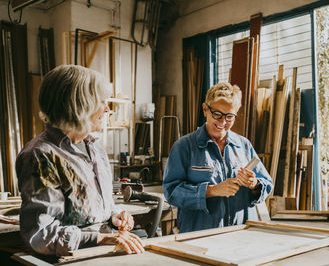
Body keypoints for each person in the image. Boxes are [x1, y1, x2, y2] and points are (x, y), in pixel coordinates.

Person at [15, 65, 145, 256]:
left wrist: (114, 218)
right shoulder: (41, 156)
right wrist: (101, 238)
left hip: (102, 254)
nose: (108, 109)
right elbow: (42, 235)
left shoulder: (95, 149)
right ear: (79, 106)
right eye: (102, 102)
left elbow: (96, 211)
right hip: (68, 259)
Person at [163, 82, 273, 233]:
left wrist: (254, 184)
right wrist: (212, 190)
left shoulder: (244, 146)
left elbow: (267, 184)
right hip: (200, 235)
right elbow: (172, 192)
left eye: (229, 116)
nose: (222, 122)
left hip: (241, 234)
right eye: (217, 114)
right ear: (205, 110)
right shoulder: (184, 147)